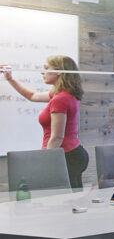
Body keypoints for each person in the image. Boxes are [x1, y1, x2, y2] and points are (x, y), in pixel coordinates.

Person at [2, 56, 89, 190]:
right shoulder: (64, 94)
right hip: (72, 154)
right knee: (72, 202)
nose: (43, 72)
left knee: (65, 204)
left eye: (47, 68)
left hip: (66, 158)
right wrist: (10, 79)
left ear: (59, 71)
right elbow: (32, 96)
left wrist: (45, 163)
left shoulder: (60, 99)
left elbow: (57, 137)